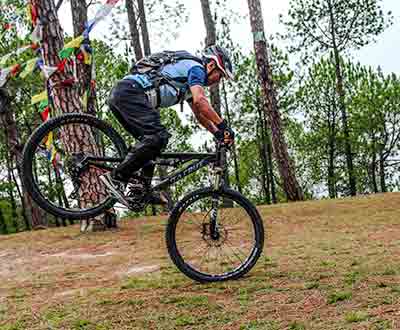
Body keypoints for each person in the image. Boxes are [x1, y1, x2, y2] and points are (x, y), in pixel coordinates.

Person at [101, 45, 235, 205]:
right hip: (131, 93)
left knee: (151, 146)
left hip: (126, 95)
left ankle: (140, 189)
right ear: (211, 65)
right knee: (158, 137)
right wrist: (223, 126)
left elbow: (199, 113)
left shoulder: (190, 80)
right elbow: (201, 101)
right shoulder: (197, 69)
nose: (217, 82)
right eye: (219, 76)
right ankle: (117, 177)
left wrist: (217, 134)